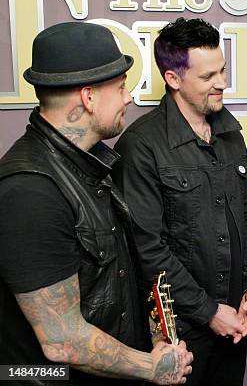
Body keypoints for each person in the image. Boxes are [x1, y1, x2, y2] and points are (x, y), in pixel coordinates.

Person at [0, 22, 193, 385]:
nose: (128, 98)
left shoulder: (92, 164)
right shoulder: (29, 191)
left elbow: (118, 275)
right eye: (121, 88)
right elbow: (63, 342)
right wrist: (153, 368)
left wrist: (157, 338)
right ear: (88, 97)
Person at [112, 17, 247, 386]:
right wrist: (209, 311)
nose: (223, 83)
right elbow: (147, 249)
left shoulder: (230, 133)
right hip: (176, 331)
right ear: (173, 79)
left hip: (233, 322)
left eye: (223, 71)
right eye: (208, 76)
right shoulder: (141, 145)